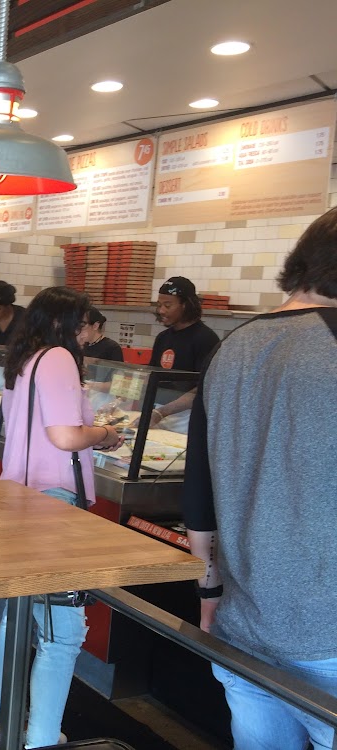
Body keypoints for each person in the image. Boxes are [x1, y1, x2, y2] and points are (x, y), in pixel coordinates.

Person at [183, 207, 337, 750]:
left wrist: (209, 593)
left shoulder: (234, 344)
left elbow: (197, 495)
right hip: (327, 632)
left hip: (243, 621)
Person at [0, 286, 123, 748]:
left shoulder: (23, 359)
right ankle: (41, 738)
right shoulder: (59, 358)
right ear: (62, 323)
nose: (88, 334)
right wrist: (104, 433)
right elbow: (66, 436)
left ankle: (7, 724)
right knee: (63, 632)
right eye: (84, 324)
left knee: (17, 616)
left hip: (18, 496)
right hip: (53, 503)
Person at [144, 276, 220, 426]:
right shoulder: (162, 338)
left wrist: (163, 412)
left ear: (186, 305)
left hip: (186, 418)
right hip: (157, 411)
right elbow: (150, 376)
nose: (161, 311)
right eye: (159, 305)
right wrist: (120, 400)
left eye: (167, 305)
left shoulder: (206, 339)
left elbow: (204, 387)